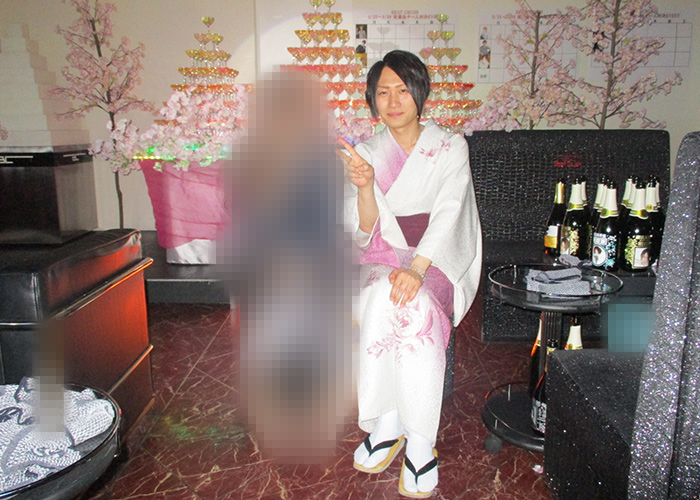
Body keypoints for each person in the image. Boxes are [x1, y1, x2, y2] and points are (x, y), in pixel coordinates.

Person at [339, 50, 482, 498]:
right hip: (382, 254)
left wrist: (418, 268)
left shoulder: (450, 146)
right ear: (372, 101)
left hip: (436, 256)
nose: (393, 101)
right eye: (383, 92)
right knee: (383, 297)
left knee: (413, 304)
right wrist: (364, 185)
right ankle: (388, 420)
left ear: (420, 93)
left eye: (402, 90)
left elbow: (450, 211)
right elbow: (363, 231)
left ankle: (420, 438)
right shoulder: (366, 153)